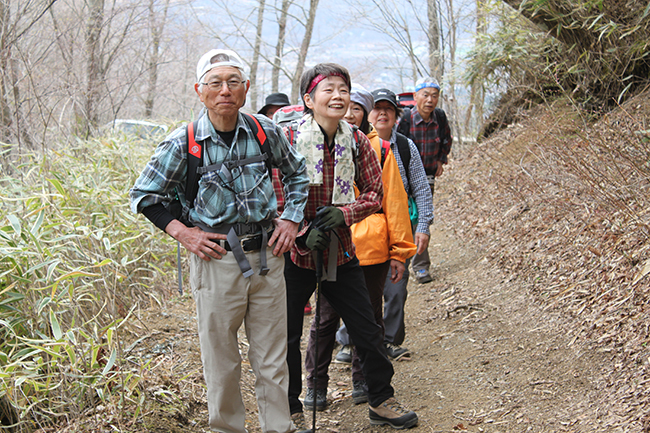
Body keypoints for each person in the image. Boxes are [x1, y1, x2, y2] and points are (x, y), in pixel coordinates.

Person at [130, 48, 310, 433]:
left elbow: (297, 174)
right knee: (221, 359)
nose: (224, 90)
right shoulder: (185, 141)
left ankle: (278, 427)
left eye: (233, 82)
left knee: (273, 356)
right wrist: (184, 233)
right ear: (200, 90)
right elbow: (144, 195)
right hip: (216, 261)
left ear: (246, 88)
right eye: (215, 82)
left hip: (267, 256)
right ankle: (228, 428)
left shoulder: (265, 131)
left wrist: (291, 221)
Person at [278, 63, 419, 430]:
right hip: (296, 256)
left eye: (344, 89)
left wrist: (345, 213)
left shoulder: (355, 139)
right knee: (289, 334)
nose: (338, 96)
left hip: (342, 251)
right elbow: (273, 196)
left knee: (368, 329)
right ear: (309, 99)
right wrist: (300, 232)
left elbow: (375, 193)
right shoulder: (290, 139)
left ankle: (381, 399)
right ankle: (291, 408)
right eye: (329, 89)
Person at [365, 88, 434, 361]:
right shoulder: (356, 145)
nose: (382, 114)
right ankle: (349, 341)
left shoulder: (405, 147)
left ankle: (390, 341)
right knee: (358, 288)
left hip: (398, 229)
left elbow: (420, 188)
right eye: (377, 108)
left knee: (395, 288)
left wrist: (423, 226)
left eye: (388, 109)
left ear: (396, 116)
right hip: (364, 230)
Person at [397, 77, 451, 284]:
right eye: (425, 95)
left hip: (427, 176)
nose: (430, 100)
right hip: (404, 178)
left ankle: (420, 266)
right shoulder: (406, 119)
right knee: (406, 217)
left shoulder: (440, 117)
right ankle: (400, 260)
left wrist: (441, 160)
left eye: (434, 95)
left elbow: (446, 139)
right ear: (415, 96)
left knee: (422, 218)